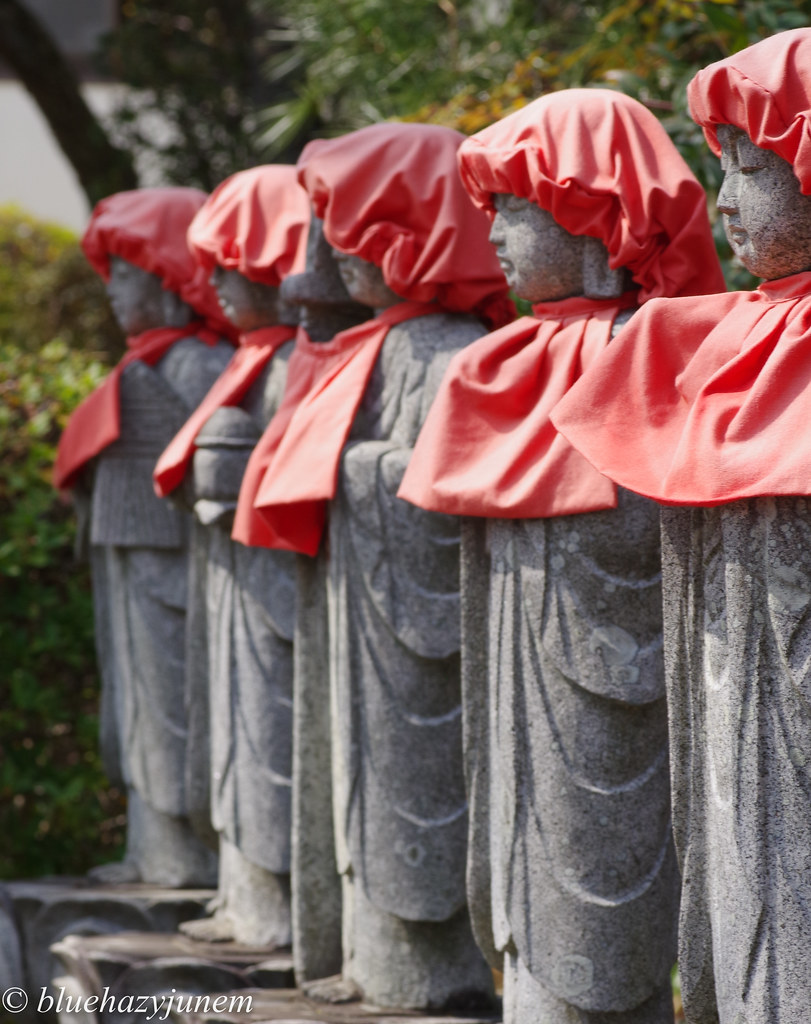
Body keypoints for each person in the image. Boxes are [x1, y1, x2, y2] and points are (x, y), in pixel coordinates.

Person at [398, 90, 725, 1023]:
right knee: (525, 891)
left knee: (610, 905)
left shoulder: (657, 348)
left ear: (595, 225)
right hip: (518, 679)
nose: (492, 237)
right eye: (489, 211)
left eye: (516, 212)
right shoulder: (502, 361)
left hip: (617, 674)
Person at [551, 30, 811, 1024]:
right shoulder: (717, 338)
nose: (727, 199)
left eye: (751, 167)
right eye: (718, 170)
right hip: (729, 711)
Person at [244, 122, 513, 1010]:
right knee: (355, 780)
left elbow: (434, 488)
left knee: (408, 788)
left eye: (360, 235)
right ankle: (369, 960)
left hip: (407, 630)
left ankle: (422, 976)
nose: (337, 260)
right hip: (356, 616)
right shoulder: (375, 347)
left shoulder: (442, 351)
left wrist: (352, 469)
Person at [54, 188, 234, 886]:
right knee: (136, 703)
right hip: (132, 559)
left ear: (167, 277)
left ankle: (188, 855)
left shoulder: (199, 364)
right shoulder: (148, 361)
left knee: (176, 706)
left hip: (180, 563)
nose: (113, 292)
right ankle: (152, 850)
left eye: (125, 274)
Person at [153, 166, 309, 944]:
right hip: (229, 578)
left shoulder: (294, 365)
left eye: (229, 264)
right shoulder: (248, 361)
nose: (210, 283)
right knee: (233, 731)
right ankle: (242, 895)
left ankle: (273, 907)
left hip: (272, 580)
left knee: (269, 731)